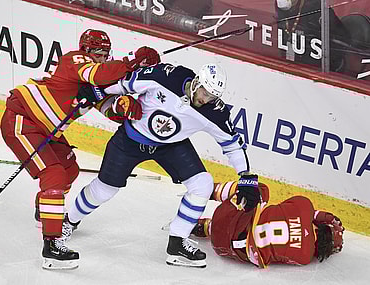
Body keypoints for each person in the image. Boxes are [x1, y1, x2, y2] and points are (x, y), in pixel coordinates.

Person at [65, 62, 260, 268]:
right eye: (204, 92)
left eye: (211, 96)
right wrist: (98, 91)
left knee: (202, 183)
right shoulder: (166, 77)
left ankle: (177, 243)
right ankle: (69, 221)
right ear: (196, 82)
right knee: (104, 190)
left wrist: (245, 176)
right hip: (130, 139)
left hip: (170, 147)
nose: (205, 99)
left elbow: (232, 145)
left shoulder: (215, 112)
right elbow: (125, 84)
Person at [0, 28, 160, 270]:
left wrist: (123, 106)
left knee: (69, 169)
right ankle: (52, 246)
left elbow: (108, 107)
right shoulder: (74, 60)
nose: (102, 57)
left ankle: (43, 209)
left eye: (105, 53)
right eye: (97, 52)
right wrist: (130, 61)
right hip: (22, 120)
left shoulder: (96, 78)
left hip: (49, 131)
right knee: (54, 175)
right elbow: (96, 74)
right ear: (86, 50)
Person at [191, 178, 345, 267]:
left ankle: (210, 190)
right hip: (227, 249)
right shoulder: (304, 257)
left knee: (260, 189)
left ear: (322, 225)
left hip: (226, 216)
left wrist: (325, 216)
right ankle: (207, 228)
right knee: (250, 237)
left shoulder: (304, 205)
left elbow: (310, 213)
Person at [276, 0, 351, 72]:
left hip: (319, 68)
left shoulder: (317, 8)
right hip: (293, 64)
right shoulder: (280, 8)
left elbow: (342, 40)